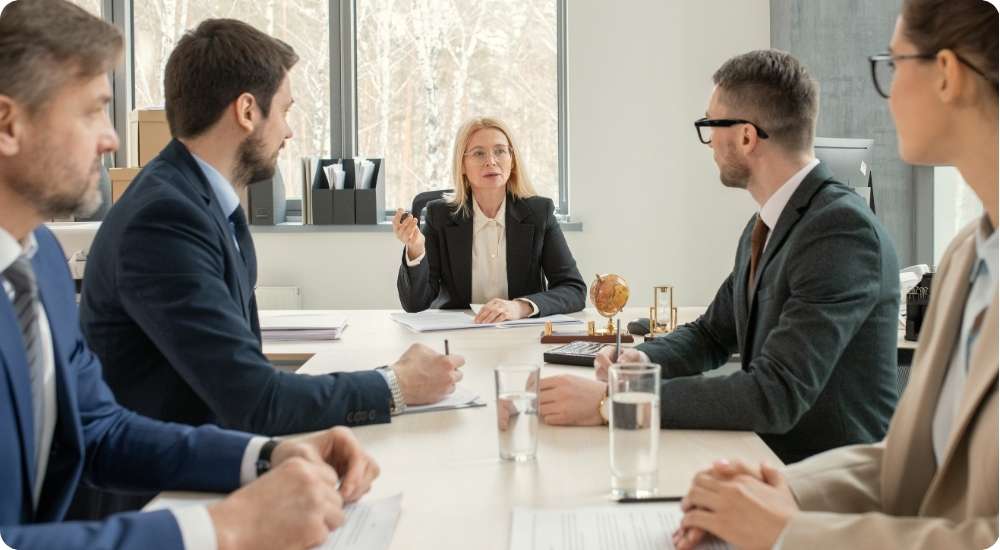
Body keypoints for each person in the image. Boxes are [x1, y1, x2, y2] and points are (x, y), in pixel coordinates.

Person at [0, 2, 379, 548]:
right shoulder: (157, 216)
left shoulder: (41, 265)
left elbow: (101, 431)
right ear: (8, 124)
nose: (111, 140)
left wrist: (263, 456)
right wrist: (227, 527)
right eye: (91, 112)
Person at [674, 1, 998, 548]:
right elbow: (910, 466)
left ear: (944, 73)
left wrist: (789, 530)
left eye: (892, 66)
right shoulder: (970, 252)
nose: (887, 94)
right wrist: (781, 488)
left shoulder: (843, 231)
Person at [80, 19, 464, 437]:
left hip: (213, 452)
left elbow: (249, 384)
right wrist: (396, 384)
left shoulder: (202, 202)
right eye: (283, 111)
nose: (288, 131)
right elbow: (254, 400)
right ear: (247, 111)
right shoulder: (164, 220)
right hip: (165, 485)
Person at [538, 49, 901, 464]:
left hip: (831, 486)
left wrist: (614, 399)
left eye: (711, 125)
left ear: (746, 136)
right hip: (768, 462)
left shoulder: (840, 233)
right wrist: (643, 358)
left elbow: (775, 394)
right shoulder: (766, 223)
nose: (708, 141)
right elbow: (712, 334)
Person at [393, 117, 586, 324]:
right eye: (478, 153)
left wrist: (520, 307)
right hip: (458, 335)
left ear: (512, 160)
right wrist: (416, 250)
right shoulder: (440, 216)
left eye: (500, 151)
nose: (491, 161)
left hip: (521, 332)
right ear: (462, 165)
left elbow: (573, 289)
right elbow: (414, 304)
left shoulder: (540, 213)